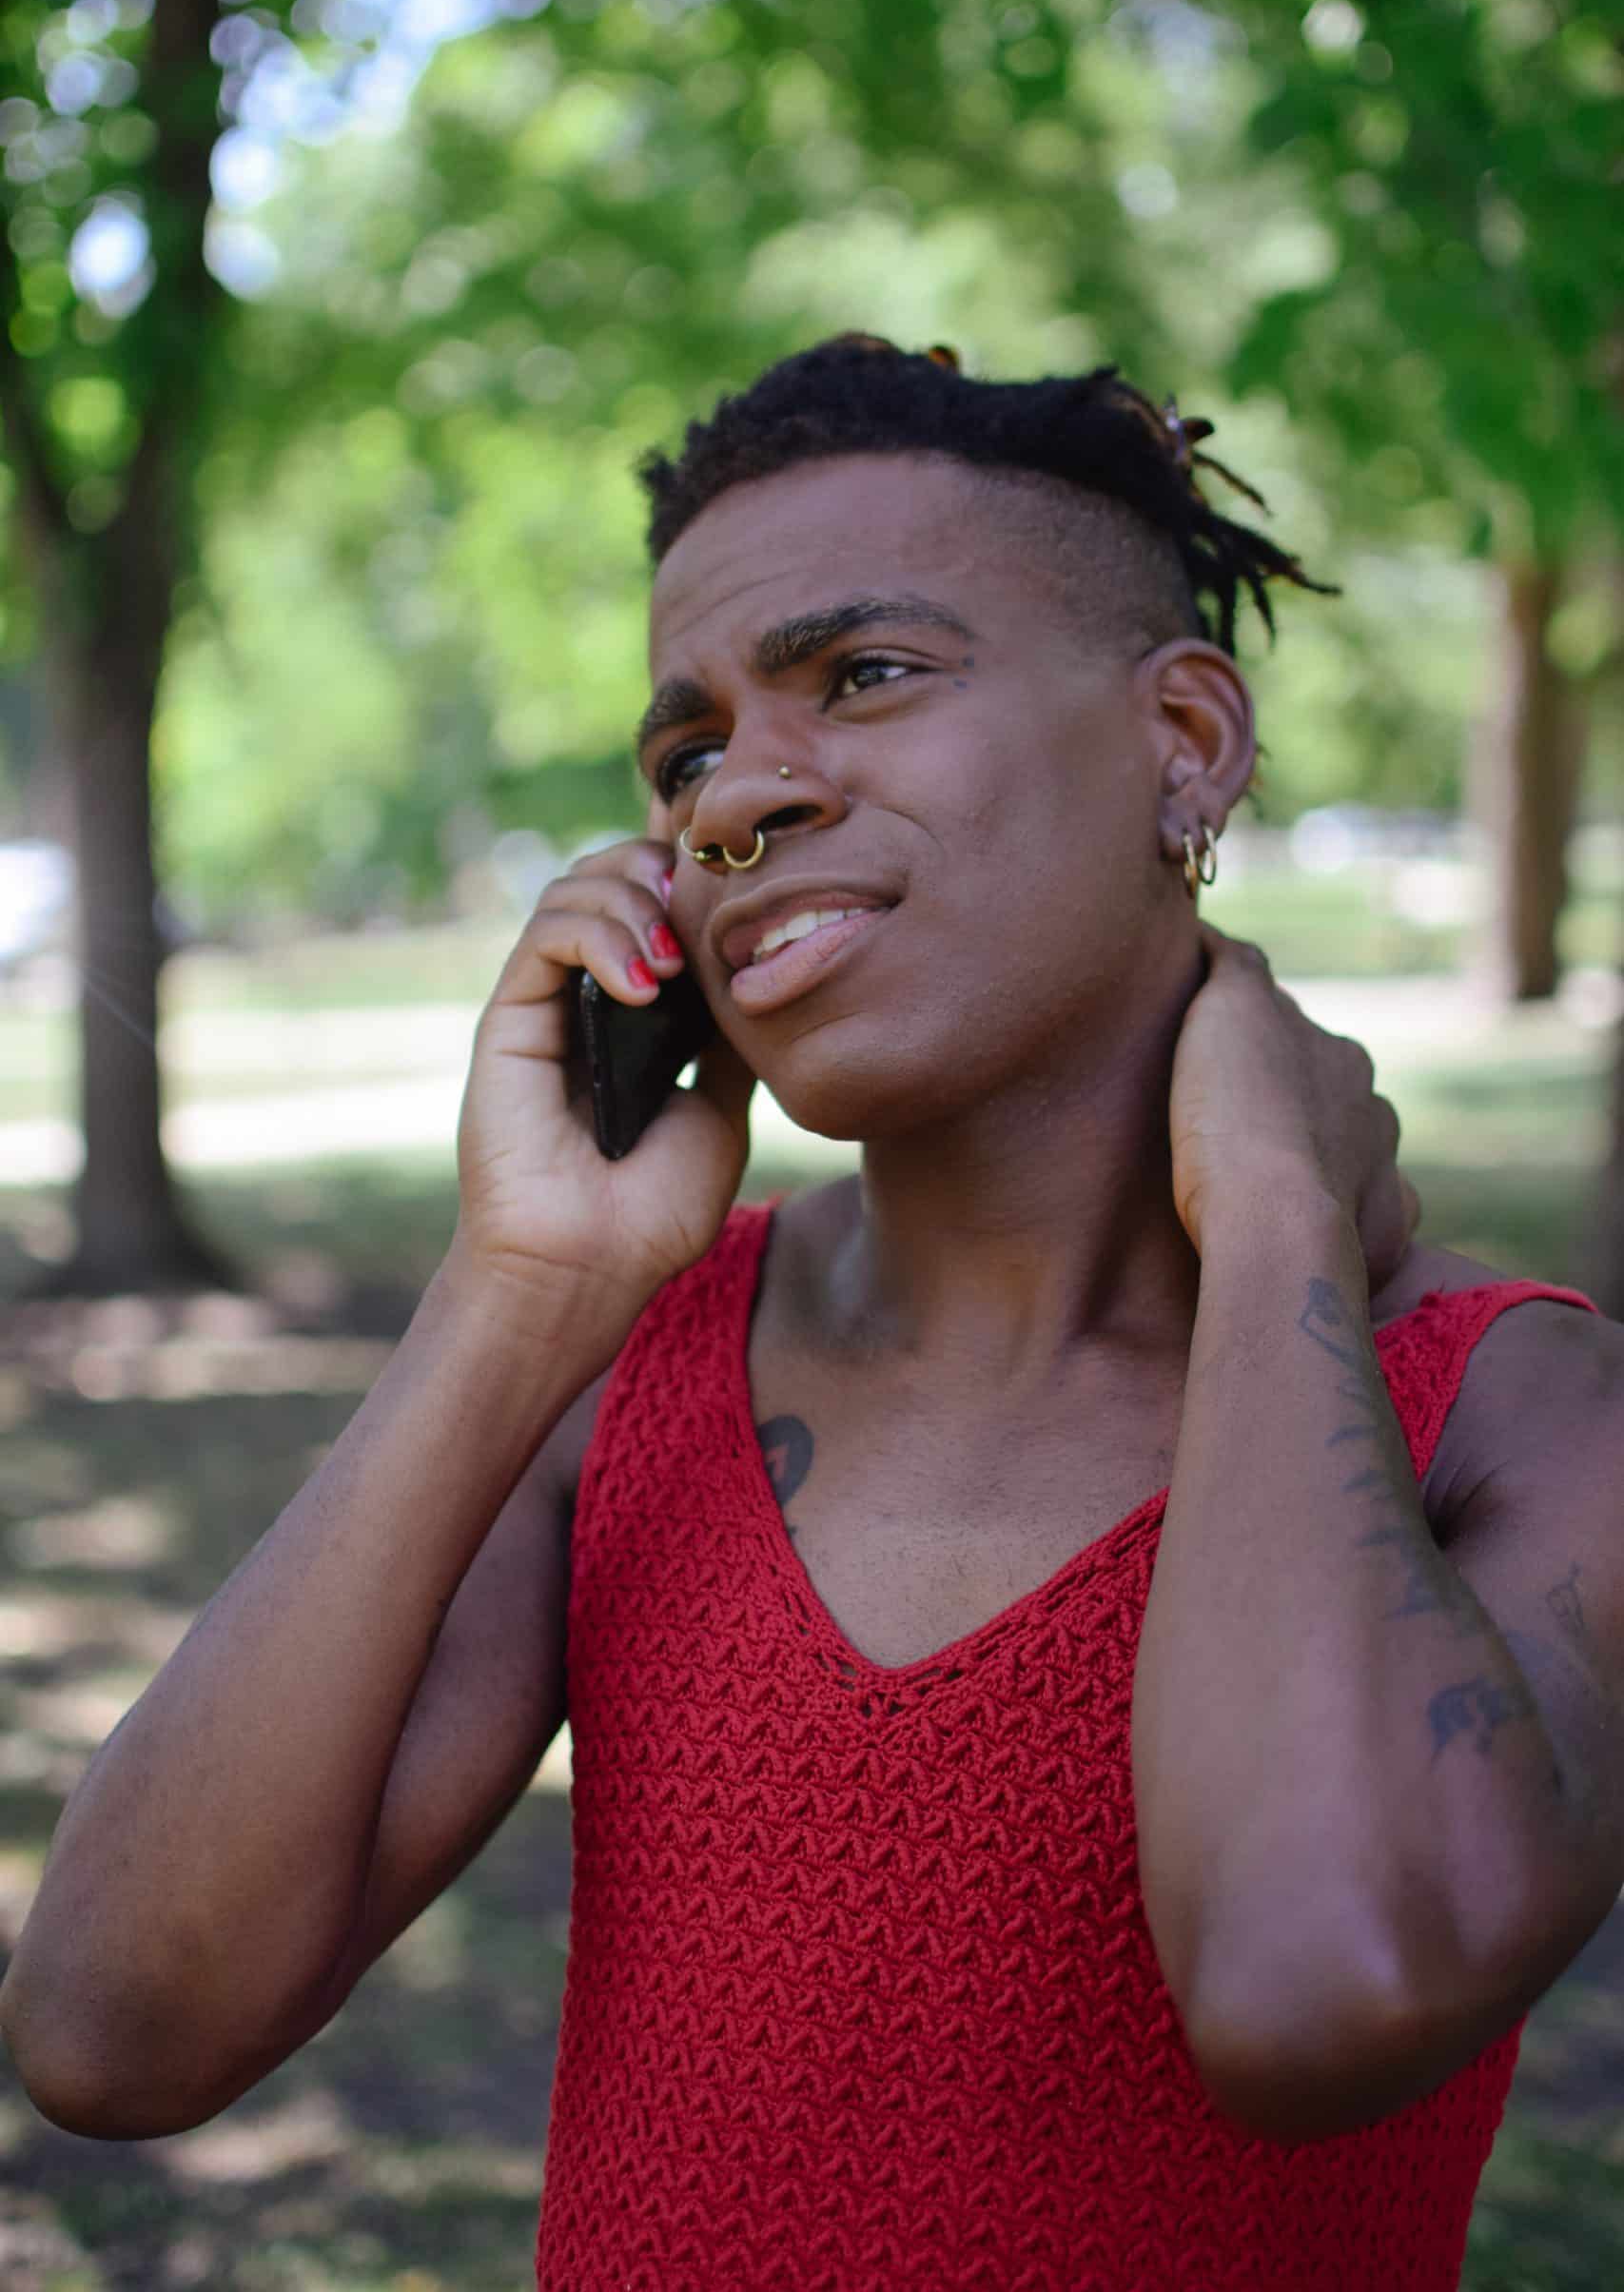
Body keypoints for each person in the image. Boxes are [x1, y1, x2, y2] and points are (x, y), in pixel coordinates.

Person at [6, 336, 1624, 2291]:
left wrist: (1271, 1206)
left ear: (1183, 739)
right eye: (682, 750)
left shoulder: (1515, 1406)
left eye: (860, 675)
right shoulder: (640, 1378)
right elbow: (110, 2029)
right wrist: (519, 1287)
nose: (730, 800)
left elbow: (1310, 1983)